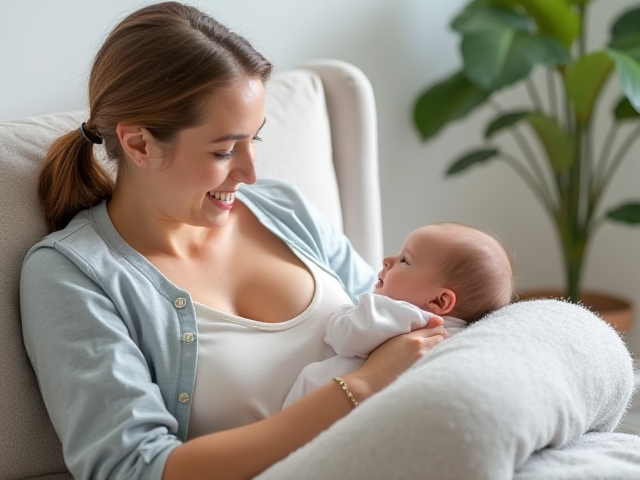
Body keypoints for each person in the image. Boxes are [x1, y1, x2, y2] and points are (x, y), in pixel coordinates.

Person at [18, 3, 450, 480]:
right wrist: (359, 388)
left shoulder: (284, 208)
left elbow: (408, 320)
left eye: (255, 141)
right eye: (224, 151)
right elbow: (134, 468)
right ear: (138, 144)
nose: (250, 173)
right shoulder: (73, 276)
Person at [283, 222, 515, 408]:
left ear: (438, 301)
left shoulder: (396, 313)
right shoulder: (460, 336)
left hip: (325, 409)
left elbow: (344, 336)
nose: (388, 260)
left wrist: (343, 312)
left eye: (405, 260)